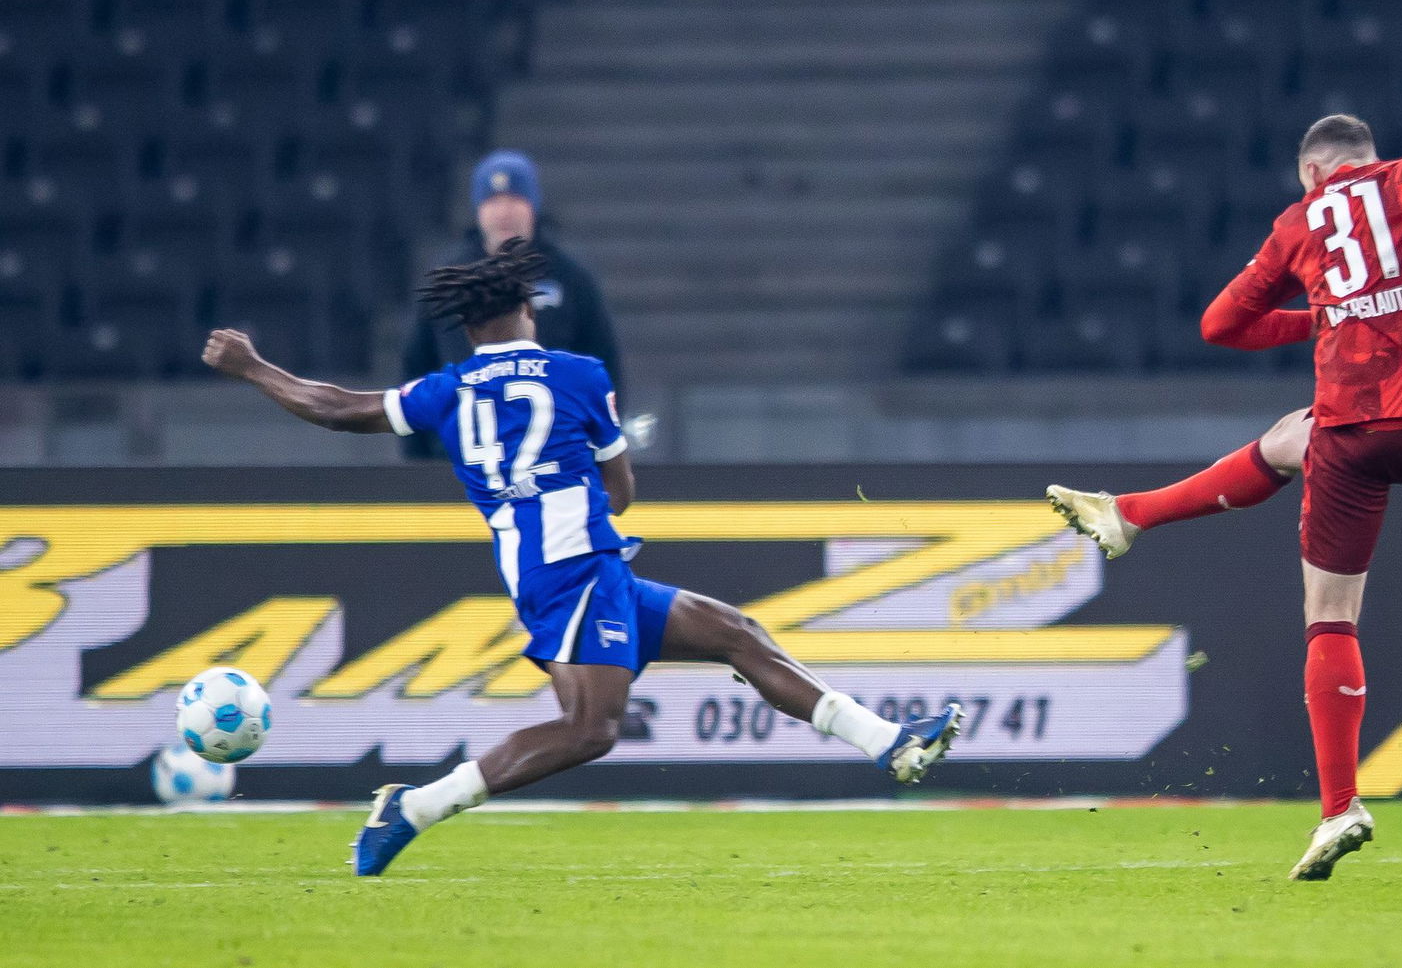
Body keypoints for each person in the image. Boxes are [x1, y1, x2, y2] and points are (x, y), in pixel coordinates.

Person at [203, 238, 961, 877]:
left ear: (468, 326)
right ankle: (415, 805)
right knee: (591, 729)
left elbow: (340, 408)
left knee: (734, 632)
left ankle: (889, 743)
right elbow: (622, 490)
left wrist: (254, 367)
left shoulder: (448, 388)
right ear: (525, 309)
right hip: (577, 570)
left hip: (566, 573)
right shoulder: (579, 374)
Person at [1046, 114, 1402, 881]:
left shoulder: (1299, 221)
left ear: (1313, 174)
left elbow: (1221, 325)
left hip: (1356, 434)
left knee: (1329, 616)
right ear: (1367, 156)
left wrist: (1318, 314)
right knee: (1291, 433)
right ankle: (1130, 513)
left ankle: (1340, 805)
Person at [401, 148, 624, 460]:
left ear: (532, 206)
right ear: (478, 209)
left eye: (514, 199)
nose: (503, 212)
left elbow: (605, 361)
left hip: (555, 454)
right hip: (462, 456)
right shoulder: (449, 279)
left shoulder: (570, 278)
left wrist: (601, 447)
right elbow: (416, 366)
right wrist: (418, 458)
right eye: (492, 201)